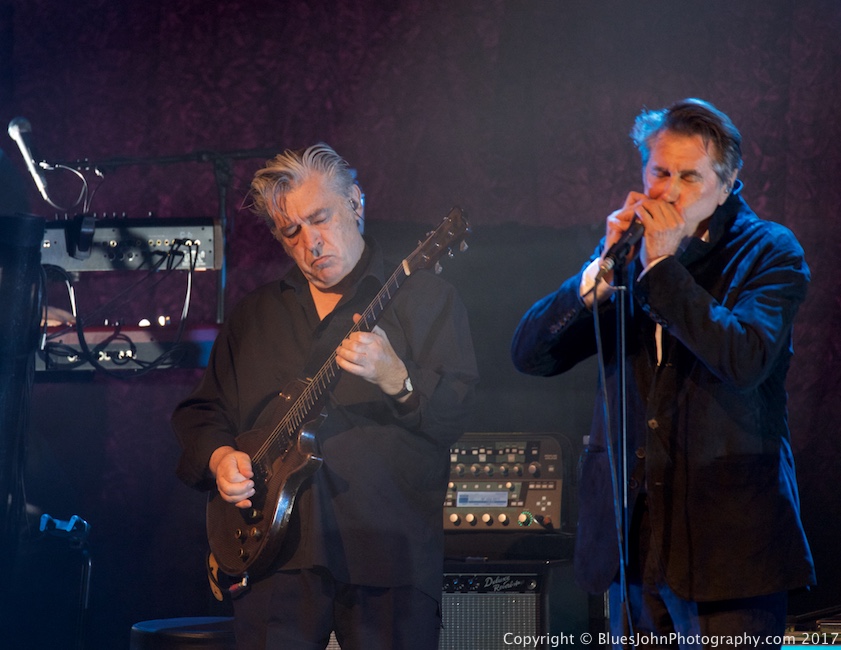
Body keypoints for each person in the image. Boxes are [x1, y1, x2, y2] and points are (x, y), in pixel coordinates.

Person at [511, 99, 815, 648]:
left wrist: (664, 267)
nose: (669, 191)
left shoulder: (770, 251)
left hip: (727, 551)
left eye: (689, 176)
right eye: (659, 172)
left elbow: (742, 359)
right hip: (633, 545)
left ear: (727, 184)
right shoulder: (622, 255)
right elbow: (531, 355)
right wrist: (597, 270)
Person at [172, 143, 478, 650]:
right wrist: (221, 456)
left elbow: (457, 414)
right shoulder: (255, 316)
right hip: (273, 563)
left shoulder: (426, 298)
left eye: (321, 218)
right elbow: (201, 412)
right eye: (292, 231)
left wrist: (397, 378)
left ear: (356, 203)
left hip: (387, 560)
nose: (311, 242)